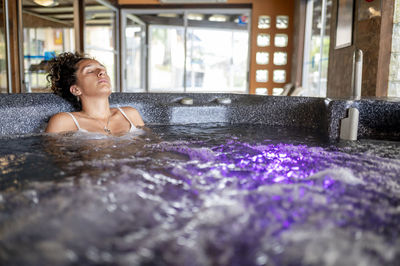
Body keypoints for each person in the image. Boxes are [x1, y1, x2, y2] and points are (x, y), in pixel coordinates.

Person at [45, 52, 144, 135]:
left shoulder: (130, 114)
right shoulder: (63, 121)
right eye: (90, 71)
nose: (102, 72)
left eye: (103, 70)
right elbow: (53, 157)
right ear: (76, 90)